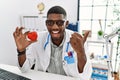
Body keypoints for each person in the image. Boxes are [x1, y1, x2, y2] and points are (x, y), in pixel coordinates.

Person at [13, 6, 92, 80]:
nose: (55, 27)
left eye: (60, 22)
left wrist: (81, 53)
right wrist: (21, 51)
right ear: (46, 23)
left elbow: (85, 75)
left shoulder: (77, 40)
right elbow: (24, 69)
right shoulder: (38, 39)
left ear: (66, 23)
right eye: (50, 23)